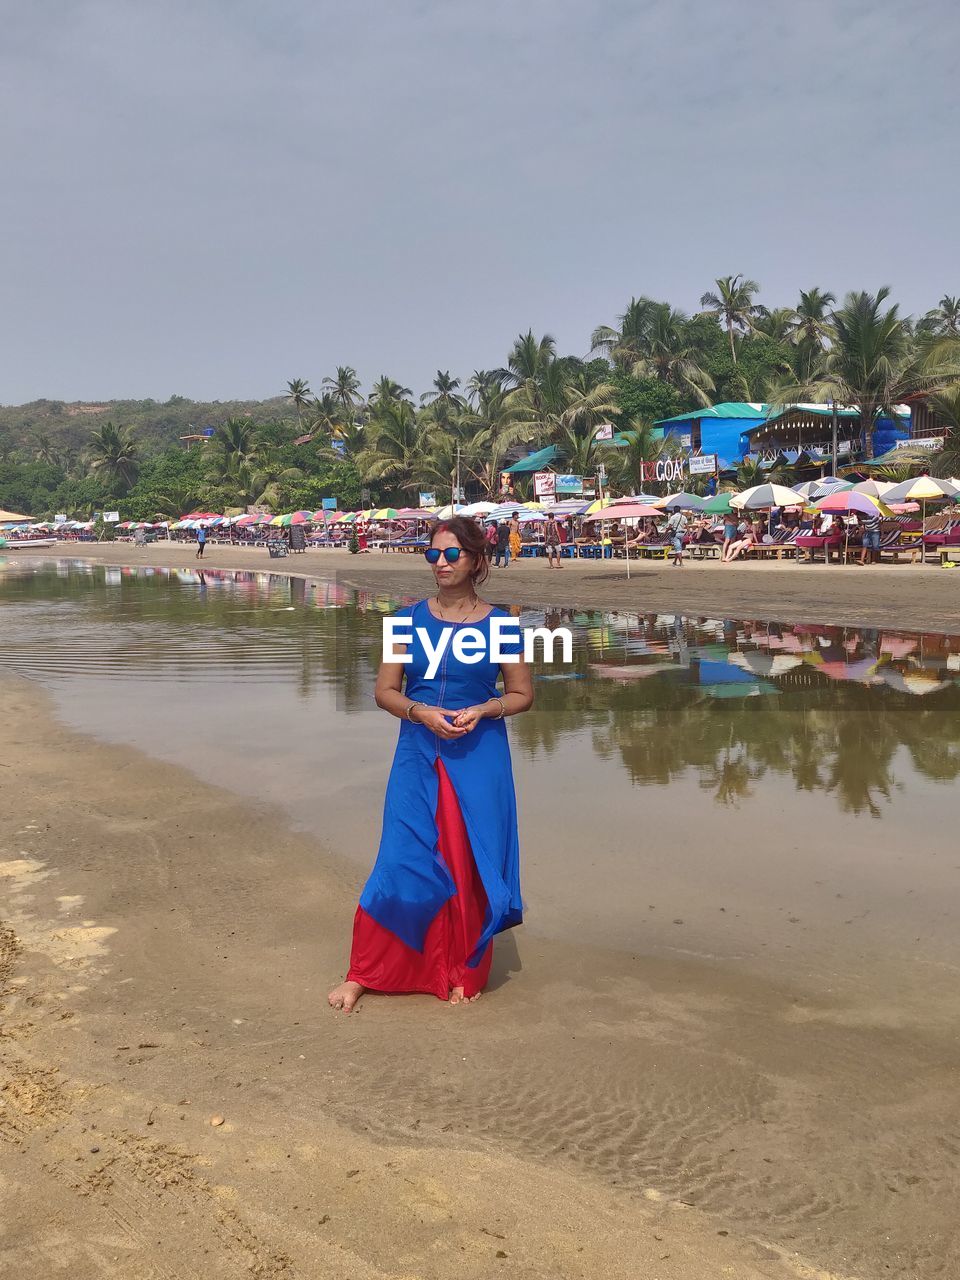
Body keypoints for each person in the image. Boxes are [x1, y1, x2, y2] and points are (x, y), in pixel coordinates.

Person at [328, 516, 534, 1012]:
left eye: (451, 554)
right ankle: (366, 971)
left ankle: (461, 968)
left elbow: (523, 694)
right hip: (418, 753)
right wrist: (420, 711)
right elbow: (384, 691)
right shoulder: (405, 621)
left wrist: (486, 708)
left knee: (465, 861)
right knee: (402, 856)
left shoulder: (501, 624)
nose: (440, 563)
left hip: (478, 754)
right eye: (433, 554)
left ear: (477, 560)